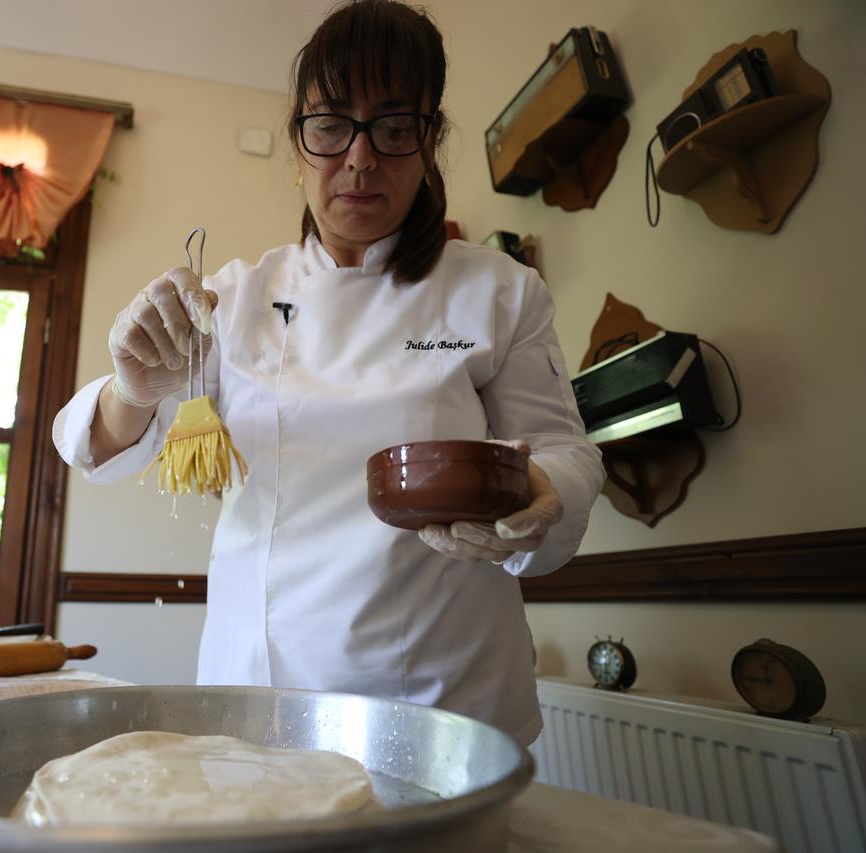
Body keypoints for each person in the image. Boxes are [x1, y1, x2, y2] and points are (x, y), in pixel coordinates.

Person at [53, 0, 604, 747]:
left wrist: (542, 496)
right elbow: (97, 449)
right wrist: (134, 387)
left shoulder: (500, 291)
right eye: (331, 125)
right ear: (297, 143)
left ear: (430, 139)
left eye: (393, 127)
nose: (360, 158)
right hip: (259, 692)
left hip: (444, 697)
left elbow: (563, 450)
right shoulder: (236, 297)